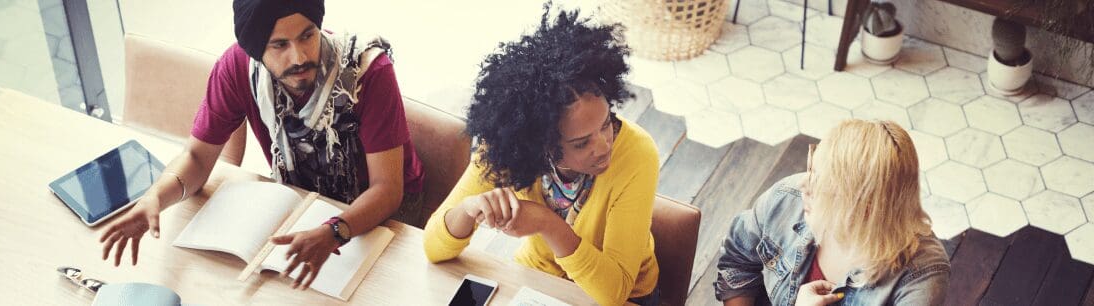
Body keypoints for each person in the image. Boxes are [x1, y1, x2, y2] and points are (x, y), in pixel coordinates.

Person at [97, 0, 424, 290]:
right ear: (255, 49)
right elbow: (197, 158)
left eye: (308, 35)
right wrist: (157, 195)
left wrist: (333, 232)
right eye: (279, 45)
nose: (299, 56)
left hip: (388, 214)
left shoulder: (369, 72)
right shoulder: (238, 68)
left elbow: (388, 189)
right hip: (304, 203)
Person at [422, 5, 662, 306]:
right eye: (580, 143)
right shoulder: (509, 148)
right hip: (540, 280)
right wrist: (469, 209)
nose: (603, 146)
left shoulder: (637, 153)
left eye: (606, 124)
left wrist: (547, 224)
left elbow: (615, 293)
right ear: (541, 144)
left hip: (627, 294)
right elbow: (433, 247)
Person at [715, 119, 950, 306]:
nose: (803, 185)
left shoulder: (921, 277)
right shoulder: (787, 199)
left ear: (864, 207)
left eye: (821, 183)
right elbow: (738, 263)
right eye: (812, 168)